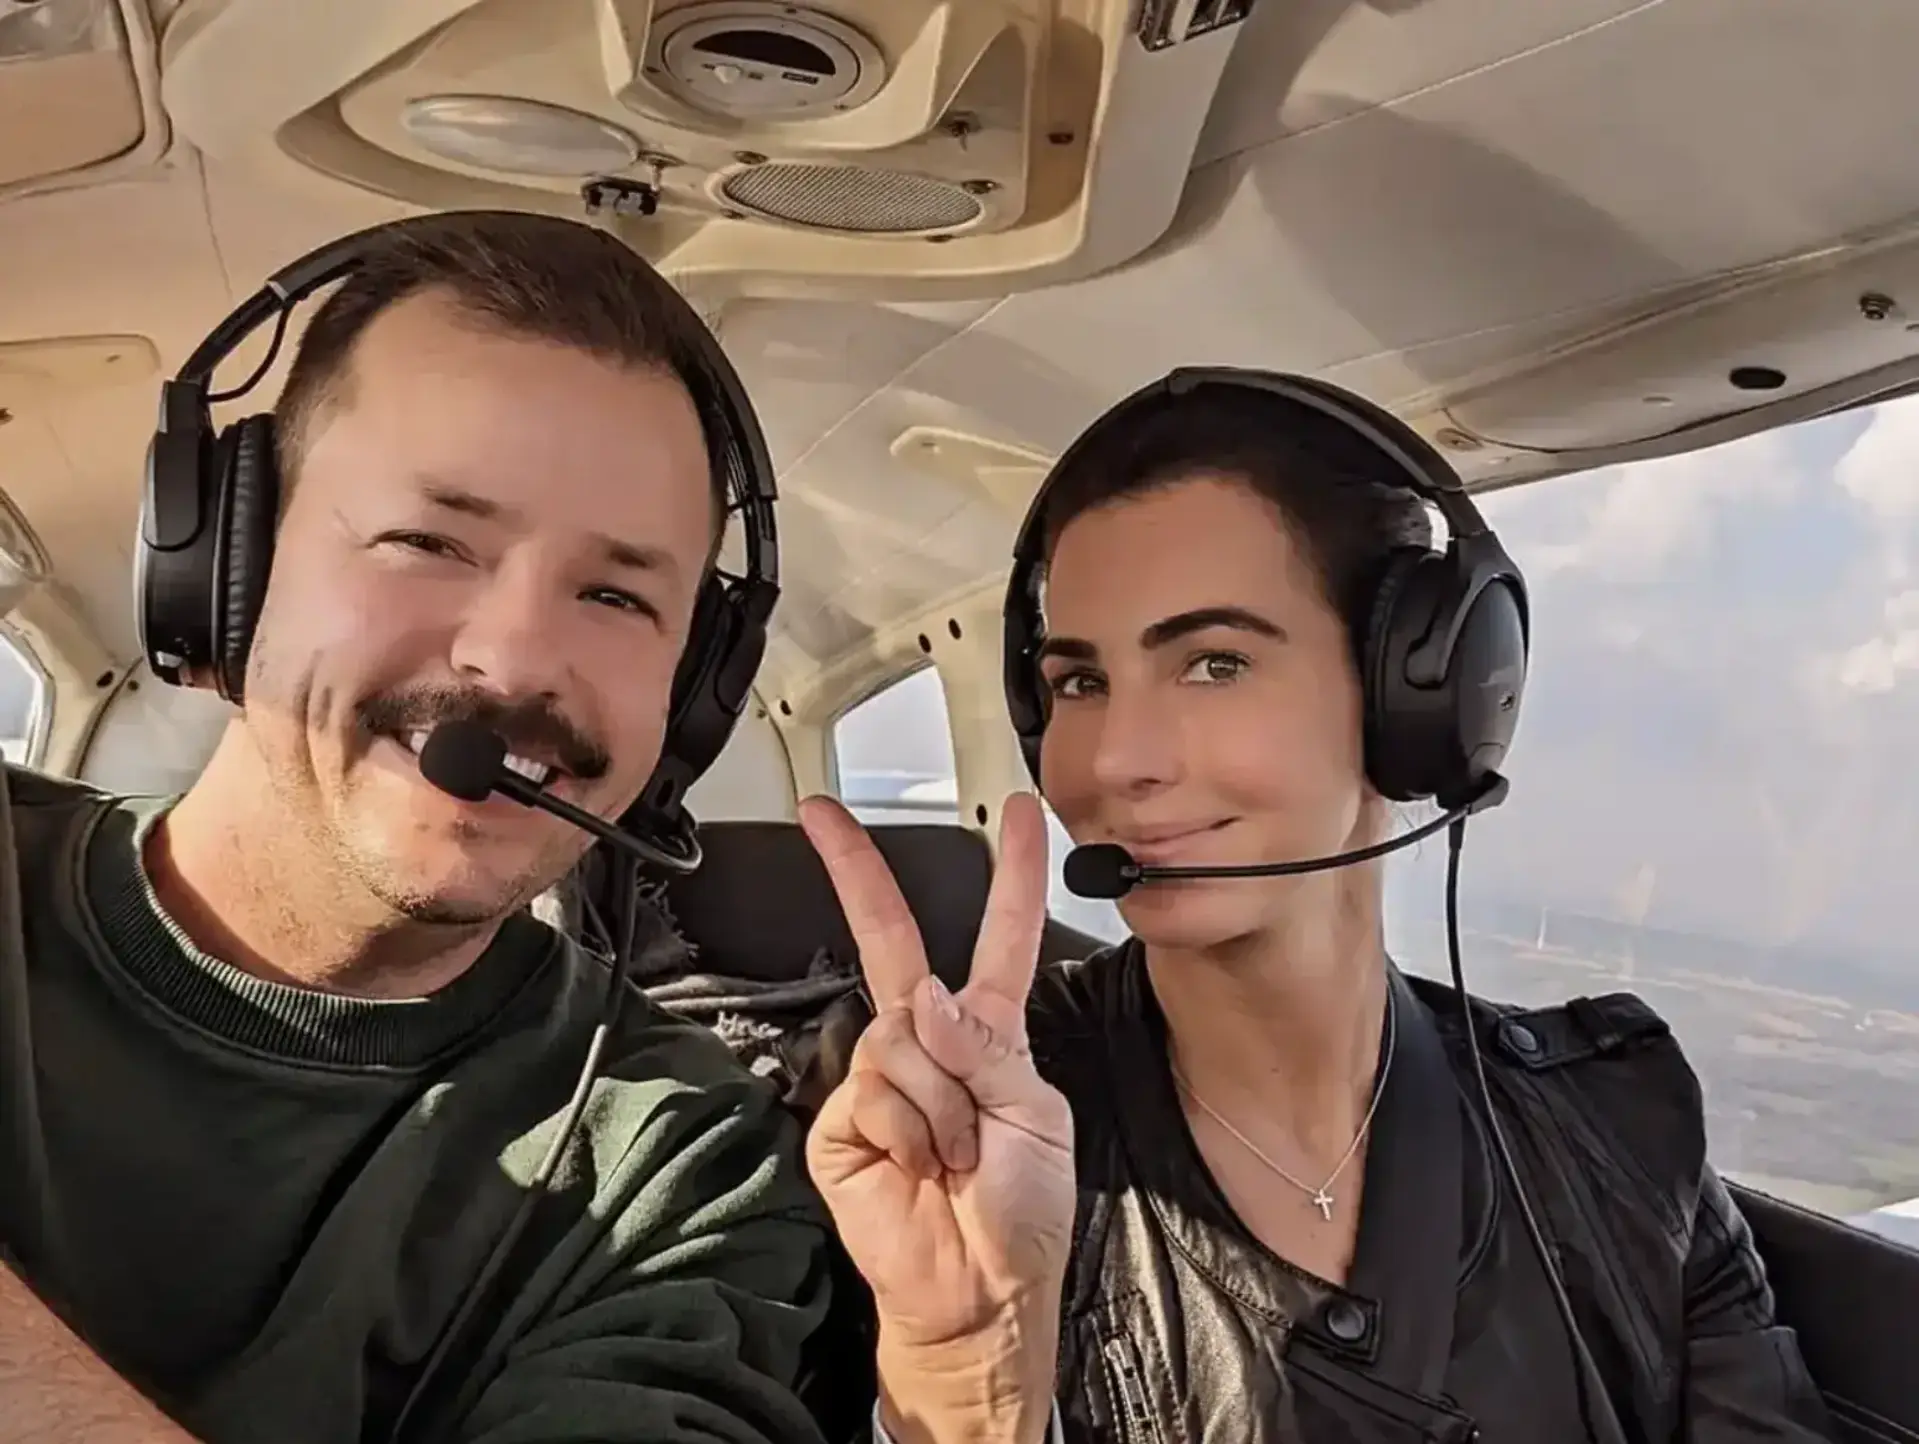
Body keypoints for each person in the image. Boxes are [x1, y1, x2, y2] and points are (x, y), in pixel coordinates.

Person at [0, 210, 1006, 1444]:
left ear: (692, 698)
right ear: (226, 571)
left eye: (615, 595)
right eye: (426, 541)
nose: (517, 659)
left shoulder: (680, 1166)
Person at [981, 368, 1836, 1441]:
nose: (1116, 759)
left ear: (1416, 697)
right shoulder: (969, 1129)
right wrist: (958, 1386)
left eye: (1212, 664)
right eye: (1078, 682)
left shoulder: (1619, 1125)